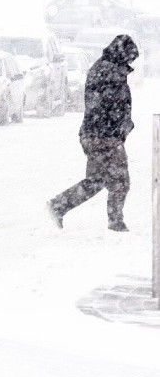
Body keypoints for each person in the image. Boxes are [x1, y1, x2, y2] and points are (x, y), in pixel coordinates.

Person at [47, 34, 138, 232]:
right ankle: (116, 222)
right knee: (120, 180)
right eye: (130, 57)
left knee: (97, 180)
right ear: (122, 54)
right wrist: (119, 125)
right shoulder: (110, 71)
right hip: (104, 136)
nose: (130, 62)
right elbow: (110, 105)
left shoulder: (102, 68)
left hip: (94, 134)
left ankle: (59, 205)